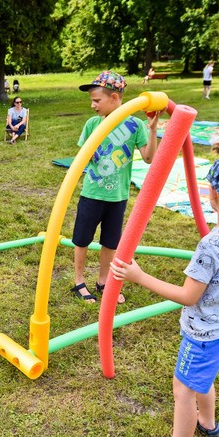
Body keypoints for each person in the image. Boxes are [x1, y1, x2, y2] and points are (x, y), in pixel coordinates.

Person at [111, 154, 219, 437]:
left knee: (183, 389)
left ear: (213, 193)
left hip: (204, 333)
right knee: (202, 378)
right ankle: (208, 423)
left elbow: (186, 296)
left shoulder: (212, 245)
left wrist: (139, 277)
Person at [70, 71, 158, 304]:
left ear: (115, 98)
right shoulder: (92, 125)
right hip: (92, 193)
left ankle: (103, 281)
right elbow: (82, 157)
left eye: (97, 100)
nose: (92, 105)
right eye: (92, 100)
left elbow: (149, 158)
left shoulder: (135, 125)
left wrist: (152, 129)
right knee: (82, 239)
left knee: (110, 242)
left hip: (118, 196)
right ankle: (79, 281)